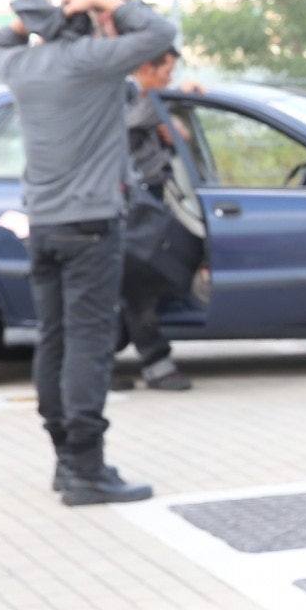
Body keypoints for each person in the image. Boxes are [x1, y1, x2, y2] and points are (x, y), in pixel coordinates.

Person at [0, 0, 177, 505]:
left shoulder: (21, 66)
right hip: (91, 225)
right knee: (89, 345)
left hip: (43, 225)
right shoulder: (92, 61)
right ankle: (87, 470)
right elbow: (161, 32)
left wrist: (32, 22)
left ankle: (65, 459)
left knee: (54, 340)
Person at [115, 43, 203, 392]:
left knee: (135, 284)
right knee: (136, 284)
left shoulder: (143, 99)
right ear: (146, 69)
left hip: (147, 202)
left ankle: (102, 366)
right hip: (127, 207)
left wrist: (174, 116)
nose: (169, 78)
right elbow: (127, 124)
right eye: (166, 72)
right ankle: (154, 363)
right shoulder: (124, 95)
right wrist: (169, 101)